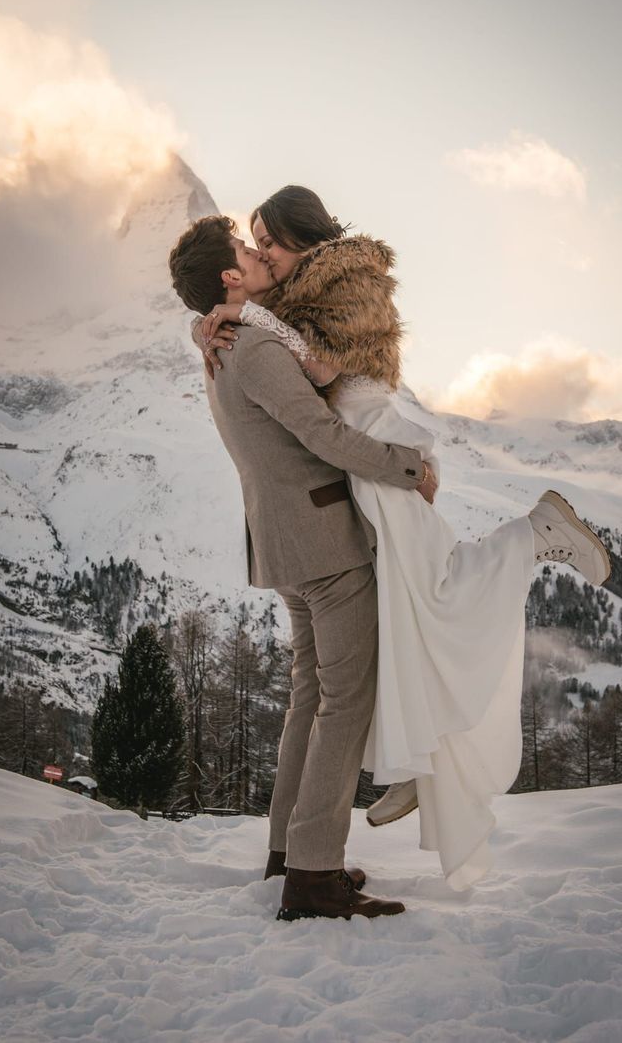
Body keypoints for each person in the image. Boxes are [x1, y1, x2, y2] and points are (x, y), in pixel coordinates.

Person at [195, 186, 612, 891]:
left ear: (304, 239)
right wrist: (220, 317)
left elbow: (322, 368)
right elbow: (275, 355)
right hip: (354, 469)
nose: (260, 248)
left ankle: (533, 536)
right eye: (252, 240)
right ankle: (407, 766)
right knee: (401, 616)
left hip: (373, 450)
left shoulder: (341, 283)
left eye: (267, 238)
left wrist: (233, 314)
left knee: (433, 588)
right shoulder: (281, 304)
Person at [169, 216, 437, 921]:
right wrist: (407, 466)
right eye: (245, 251)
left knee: (311, 700)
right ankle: (312, 875)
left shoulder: (225, 344)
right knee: (343, 702)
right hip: (321, 543)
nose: (258, 255)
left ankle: (289, 855)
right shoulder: (251, 347)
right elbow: (320, 435)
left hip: (285, 543)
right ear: (230, 277)